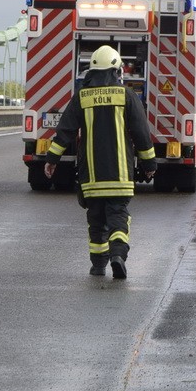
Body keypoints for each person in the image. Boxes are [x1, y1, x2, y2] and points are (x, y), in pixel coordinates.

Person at [45, 45, 157, 279]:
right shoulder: (127, 96)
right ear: (117, 71)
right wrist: (149, 166)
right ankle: (118, 254)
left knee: (95, 220)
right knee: (118, 216)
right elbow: (142, 134)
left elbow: (64, 131)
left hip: (91, 178)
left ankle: (98, 265)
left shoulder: (82, 97)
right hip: (120, 175)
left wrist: (52, 159)